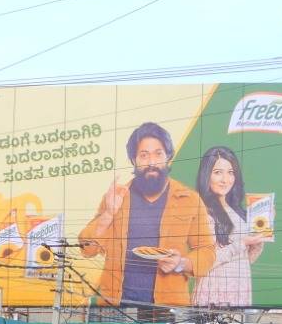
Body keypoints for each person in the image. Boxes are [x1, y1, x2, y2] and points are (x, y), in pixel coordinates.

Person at [78, 122, 216, 306]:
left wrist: (181, 264)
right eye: (144, 155)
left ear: (168, 157)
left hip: (167, 309)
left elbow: (207, 251)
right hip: (115, 307)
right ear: (133, 160)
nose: (152, 163)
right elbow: (87, 249)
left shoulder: (189, 199)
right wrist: (108, 214)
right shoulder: (116, 197)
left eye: (158, 154)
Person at [190, 146, 266, 307]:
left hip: (240, 291)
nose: (225, 179)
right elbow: (204, 262)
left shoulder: (238, 212)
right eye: (218, 172)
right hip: (214, 293)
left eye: (230, 172)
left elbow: (245, 260)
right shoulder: (202, 212)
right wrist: (242, 243)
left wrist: (259, 237)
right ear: (206, 175)